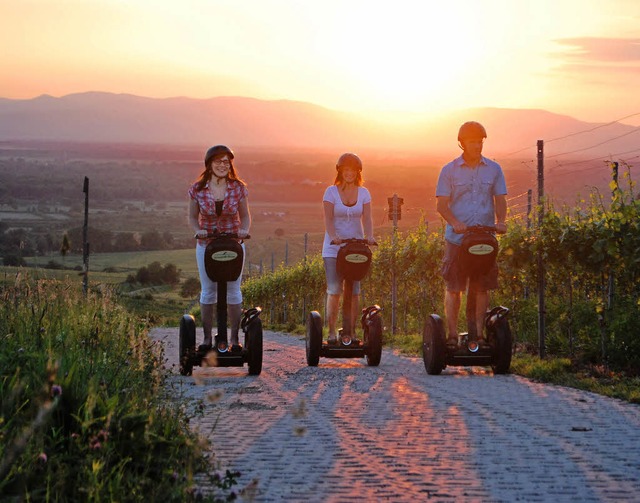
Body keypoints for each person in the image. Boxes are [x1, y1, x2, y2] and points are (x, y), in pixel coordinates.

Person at [435, 121, 507, 345]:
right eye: (473, 141)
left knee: (482, 287)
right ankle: (452, 336)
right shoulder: (449, 171)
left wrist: (501, 221)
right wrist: (455, 222)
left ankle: (478, 335)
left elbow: (500, 199)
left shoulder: (494, 169)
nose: (478, 145)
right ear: (462, 143)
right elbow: (442, 205)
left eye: (480, 141)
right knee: (454, 287)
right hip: (457, 240)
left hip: (485, 238)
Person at [188, 145, 251, 351]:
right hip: (206, 245)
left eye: (226, 162)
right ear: (209, 164)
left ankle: (234, 339)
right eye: (218, 161)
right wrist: (198, 230)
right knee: (208, 292)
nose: (223, 165)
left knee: (233, 291)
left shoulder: (238, 187)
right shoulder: (198, 189)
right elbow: (192, 217)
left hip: (233, 244)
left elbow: (246, 216)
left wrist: (243, 230)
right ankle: (207, 339)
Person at [322, 152, 374, 344]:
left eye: (353, 170)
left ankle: (351, 332)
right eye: (346, 170)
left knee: (354, 290)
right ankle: (332, 331)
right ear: (340, 171)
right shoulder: (331, 192)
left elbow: (367, 218)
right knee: (335, 289)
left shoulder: (364, 193)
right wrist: (334, 236)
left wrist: (369, 236)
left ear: (358, 172)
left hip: (355, 247)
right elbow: (328, 218)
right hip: (334, 248)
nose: (349, 173)